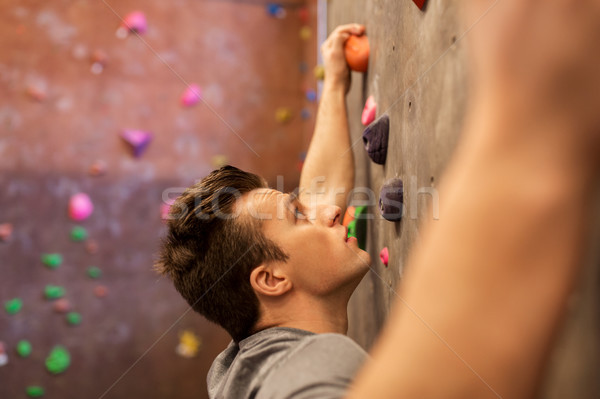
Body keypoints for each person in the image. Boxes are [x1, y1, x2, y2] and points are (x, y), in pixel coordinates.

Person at [156, 0, 600, 397]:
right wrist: (534, 109)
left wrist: (334, 84)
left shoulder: (239, 367)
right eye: (298, 216)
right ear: (271, 280)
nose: (329, 210)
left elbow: (318, 195)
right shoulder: (295, 375)